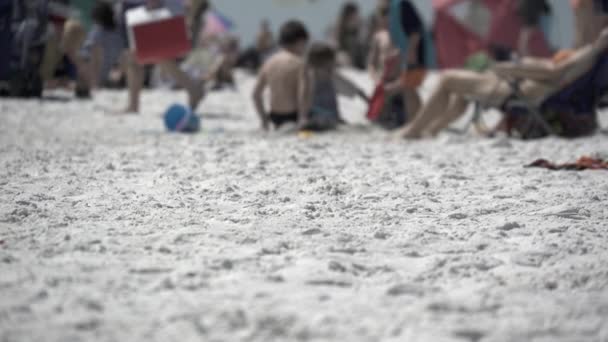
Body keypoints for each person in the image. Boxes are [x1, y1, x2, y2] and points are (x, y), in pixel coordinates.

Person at [396, 28, 608, 139]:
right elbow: (554, 70)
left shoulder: (589, 55)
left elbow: (552, 72)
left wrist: (508, 67)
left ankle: (415, 130)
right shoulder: (592, 58)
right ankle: (430, 129)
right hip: (521, 83)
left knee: (448, 79)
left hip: (518, 89)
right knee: (460, 87)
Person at [119, 0, 204, 113]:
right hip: (140, 4)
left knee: (154, 54)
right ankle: (133, 104)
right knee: (138, 56)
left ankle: (192, 88)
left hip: (146, 5)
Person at [252, 20, 310, 131]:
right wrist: (303, 118)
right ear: (300, 42)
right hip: (293, 116)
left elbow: (255, 95)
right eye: (305, 44)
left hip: (274, 117)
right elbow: (303, 93)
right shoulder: (300, 63)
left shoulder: (268, 62)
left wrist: (264, 120)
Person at [298, 42, 367, 131]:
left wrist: (366, 98)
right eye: (327, 67)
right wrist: (303, 117)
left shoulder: (331, 77)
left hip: (332, 117)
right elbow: (303, 98)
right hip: (315, 117)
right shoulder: (309, 79)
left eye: (331, 66)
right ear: (314, 66)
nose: (330, 69)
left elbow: (351, 88)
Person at [81, 1, 125, 89]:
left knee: (90, 51)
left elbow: (95, 57)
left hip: (97, 73)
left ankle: (93, 81)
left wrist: (94, 80)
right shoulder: (118, 32)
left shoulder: (98, 32)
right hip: (110, 73)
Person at [334, 2, 365, 69]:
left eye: (356, 16)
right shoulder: (338, 33)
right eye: (352, 18)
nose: (356, 19)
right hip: (343, 69)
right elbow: (335, 50)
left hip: (359, 69)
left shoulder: (360, 32)